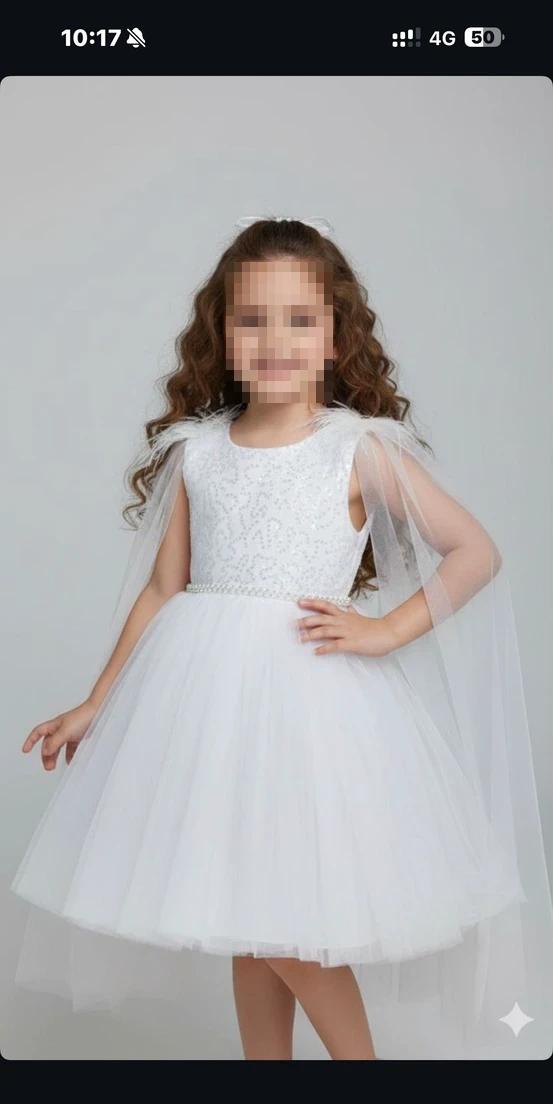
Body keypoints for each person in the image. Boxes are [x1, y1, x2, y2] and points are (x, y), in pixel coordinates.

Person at [11, 216, 553, 1060]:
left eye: (299, 320)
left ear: (334, 336)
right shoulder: (196, 452)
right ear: (221, 333)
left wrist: (387, 630)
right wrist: (96, 702)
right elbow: (162, 589)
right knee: (251, 921)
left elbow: (473, 551)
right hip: (206, 707)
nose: (274, 342)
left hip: (309, 711)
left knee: (287, 926)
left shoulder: (356, 449)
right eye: (252, 320)